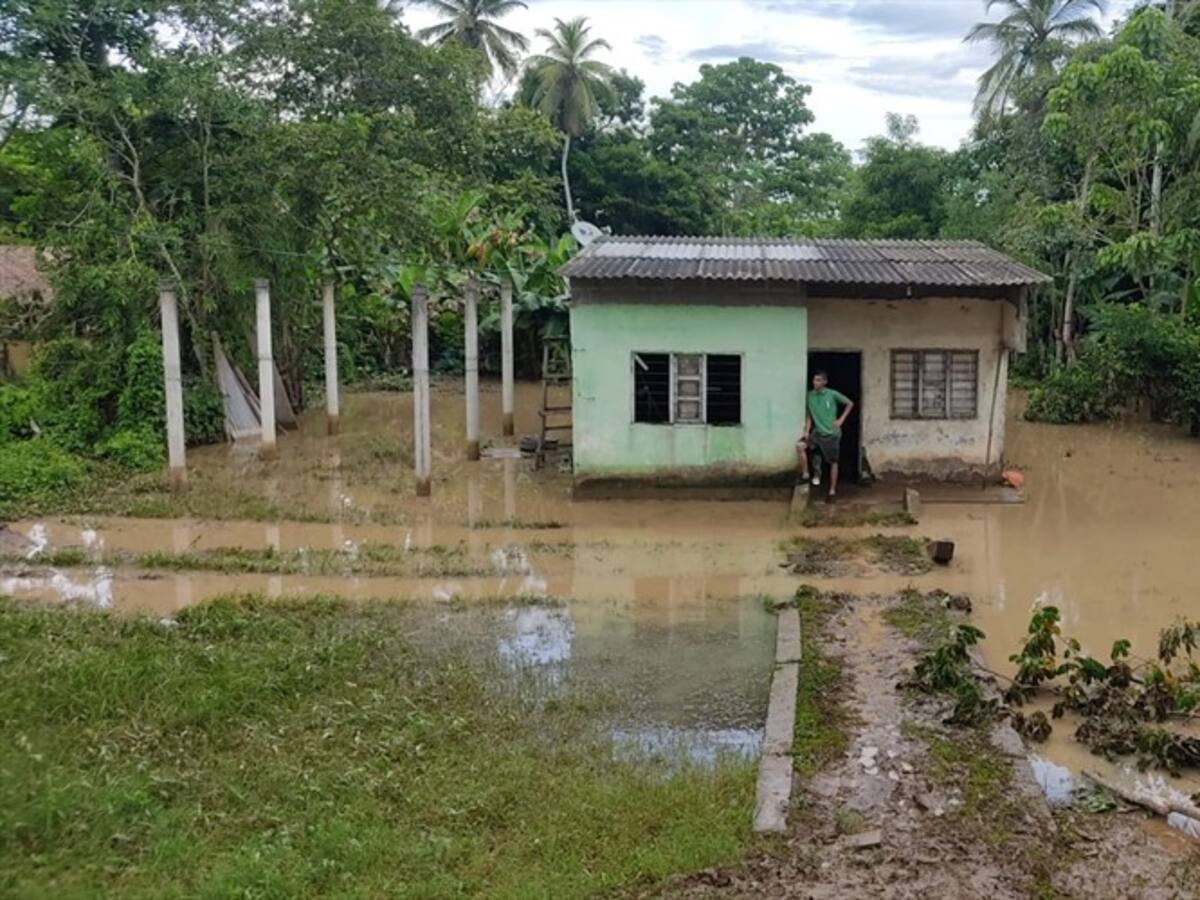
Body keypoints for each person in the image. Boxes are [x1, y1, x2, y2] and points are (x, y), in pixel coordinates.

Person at [803, 370, 854, 503]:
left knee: (833, 462)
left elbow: (850, 403)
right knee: (801, 446)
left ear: (825, 382)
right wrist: (807, 431)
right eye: (814, 380)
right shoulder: (809, 396)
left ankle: (832, 490)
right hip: (817, 432)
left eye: (819, 380)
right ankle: (806, 474)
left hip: (832, 433)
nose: (816, 382)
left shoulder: (832, 394)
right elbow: (809, 415)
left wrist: (841, 420)